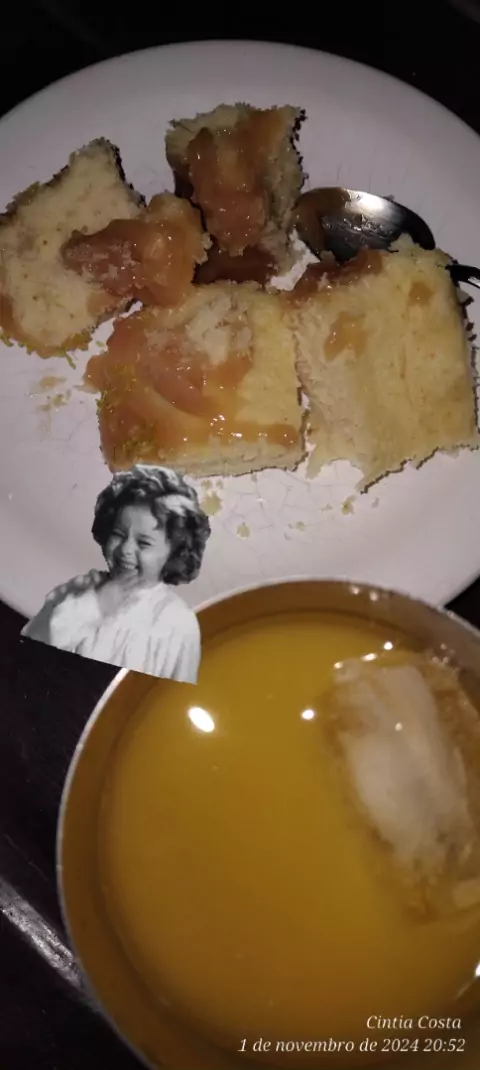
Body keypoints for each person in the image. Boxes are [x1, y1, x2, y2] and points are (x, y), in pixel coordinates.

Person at [22, 466, 210, 683]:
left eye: (144, 543)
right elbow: (32, 643)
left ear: (176, 552)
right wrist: (95, 605)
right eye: (119, 534)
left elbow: (177, 689)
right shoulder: (80, 590)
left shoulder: (178, 623)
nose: (126, 549)